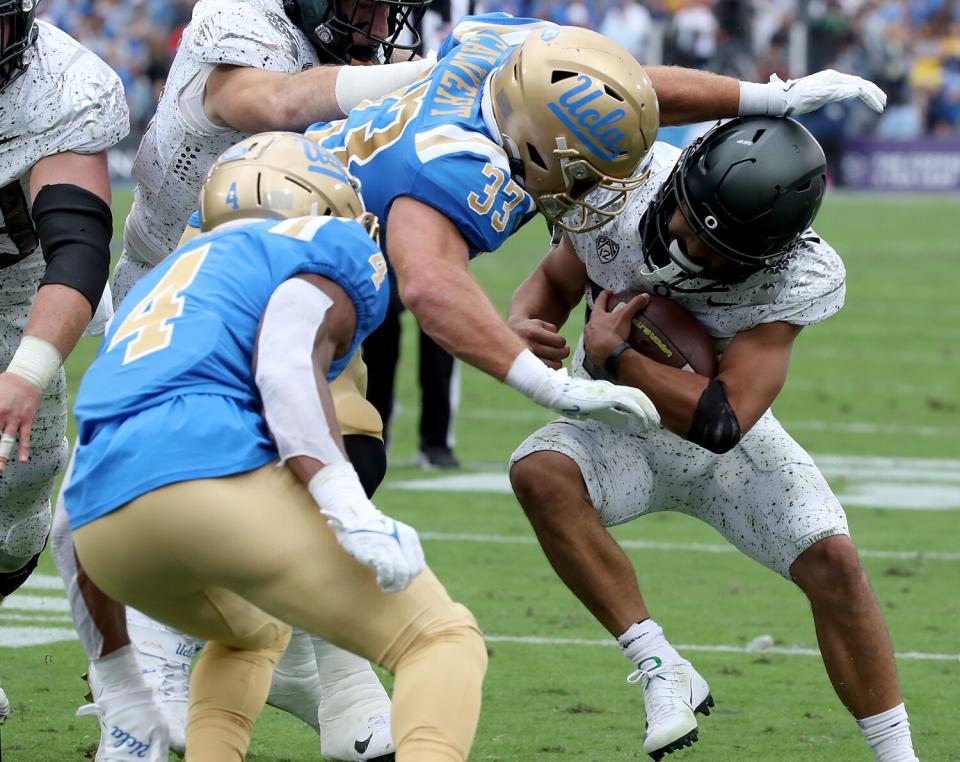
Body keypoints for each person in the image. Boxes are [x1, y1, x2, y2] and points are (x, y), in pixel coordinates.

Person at [47, 0, 439, 757]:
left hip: (273, 299)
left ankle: (342, 694)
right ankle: (147, 693)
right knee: (96, 509)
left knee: (337, 448)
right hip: (165, 299)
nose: (382, 19)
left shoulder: (357, 61)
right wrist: (432, 74)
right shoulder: (243, 17)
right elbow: (272, 100)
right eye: (368, 1)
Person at [507, 116, 918, 762]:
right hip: (622, 432)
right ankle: (658, 663)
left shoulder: (798, 275)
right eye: (689, 219)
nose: (684, 242)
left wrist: (620, 357)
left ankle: (900, 757)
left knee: (835, 563)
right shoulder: (623, 193)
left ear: (770, 250)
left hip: (719, 447)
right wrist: (523, 324)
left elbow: (724, 419)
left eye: (714, 245)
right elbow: (556, 280)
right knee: (537, 471)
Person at [305, 12, 885, 452]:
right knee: (332, 456)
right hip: (293, 264)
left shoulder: (505, 58)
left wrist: (769, 96)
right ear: (533, 139)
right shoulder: (456, 168)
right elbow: (430, 285)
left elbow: (621, 90)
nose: (596, 186)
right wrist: (545, 384)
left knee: (351, 450)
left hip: (315, 234)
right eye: (579, 167)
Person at [0, 0, 128, 720]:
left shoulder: (64, 84)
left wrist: (26, 371)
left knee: (18, 503)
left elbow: (76, 245)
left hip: (21, 285)